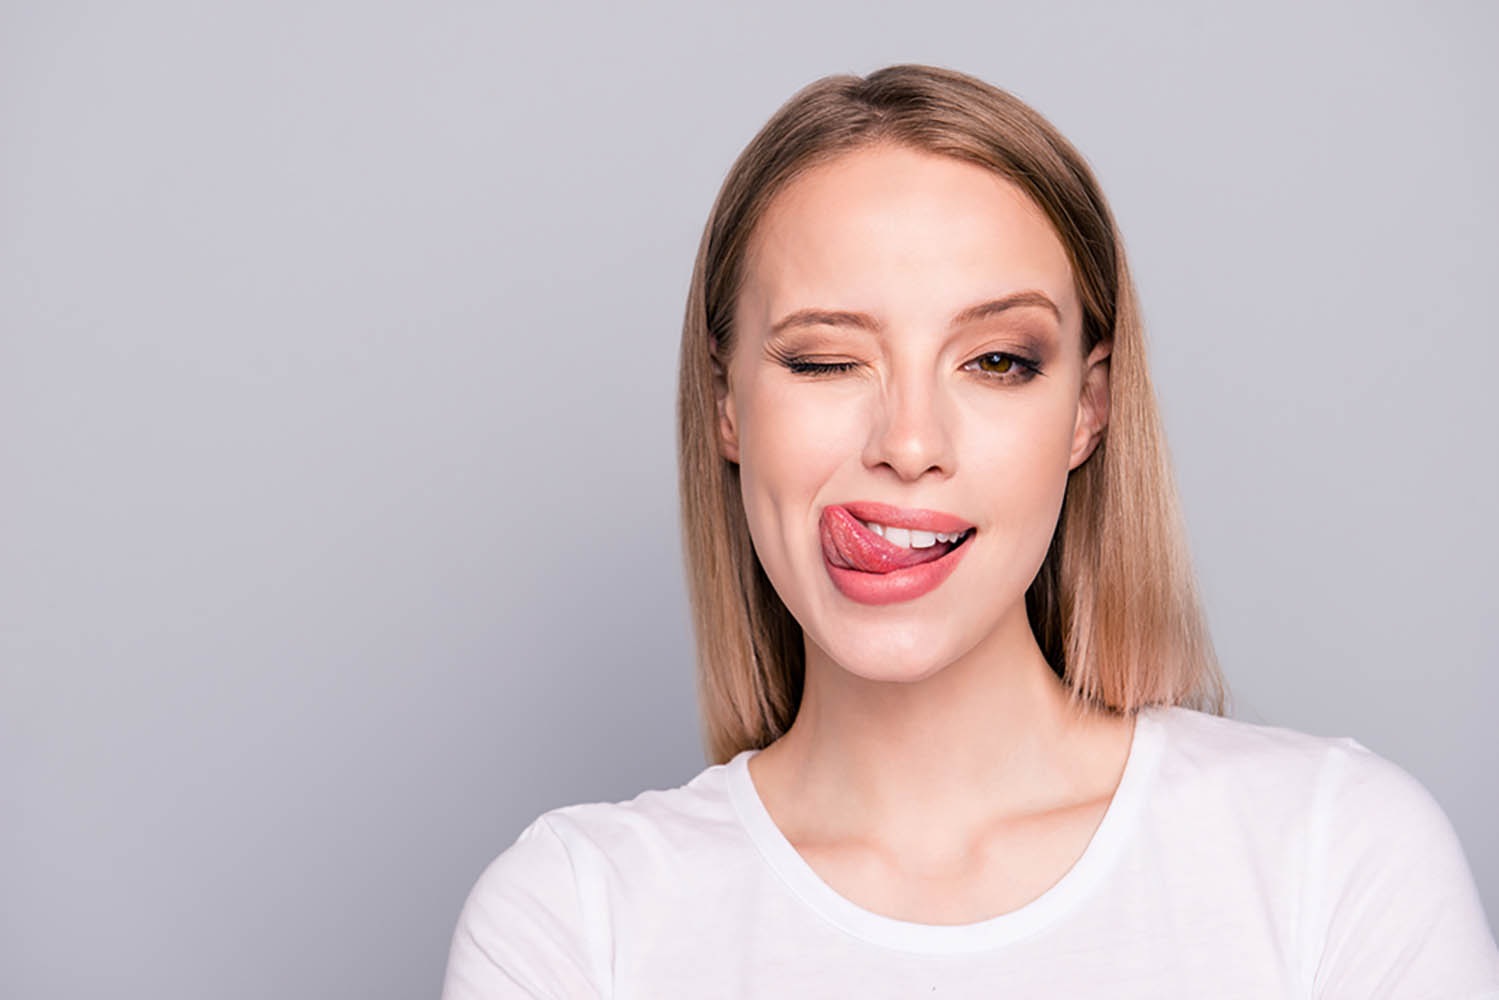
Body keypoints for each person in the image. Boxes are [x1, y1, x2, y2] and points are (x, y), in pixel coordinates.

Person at [441, 64, 1499, 997]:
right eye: (823, 360)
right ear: (725, 406)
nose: (907, 441)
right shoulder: (578, 920)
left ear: (1088, 411)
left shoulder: (1333, 857)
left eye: (995, 360)